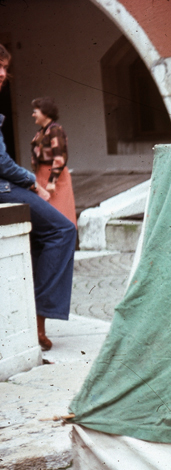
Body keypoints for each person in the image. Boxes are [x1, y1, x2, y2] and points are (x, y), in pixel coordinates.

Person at [0, 44, 77, 351]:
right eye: (0, 66)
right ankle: (38, 317)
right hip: (6, 186)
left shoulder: (52, 131)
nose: (4, 73)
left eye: (6, 67)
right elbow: (1, 163)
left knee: (38, 236)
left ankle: (34, 319)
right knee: (63, 230)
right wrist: (33, 182)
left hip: (22, 182)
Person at [31, 97, 76, 224]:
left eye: (36, 111)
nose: (33, 114)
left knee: (59, 213)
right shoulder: (41, 132)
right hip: (42, 174)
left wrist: (52, 181)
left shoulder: (55, 130)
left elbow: (59, 158)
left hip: (55, 177)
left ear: (45, 112)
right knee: (45, 214)